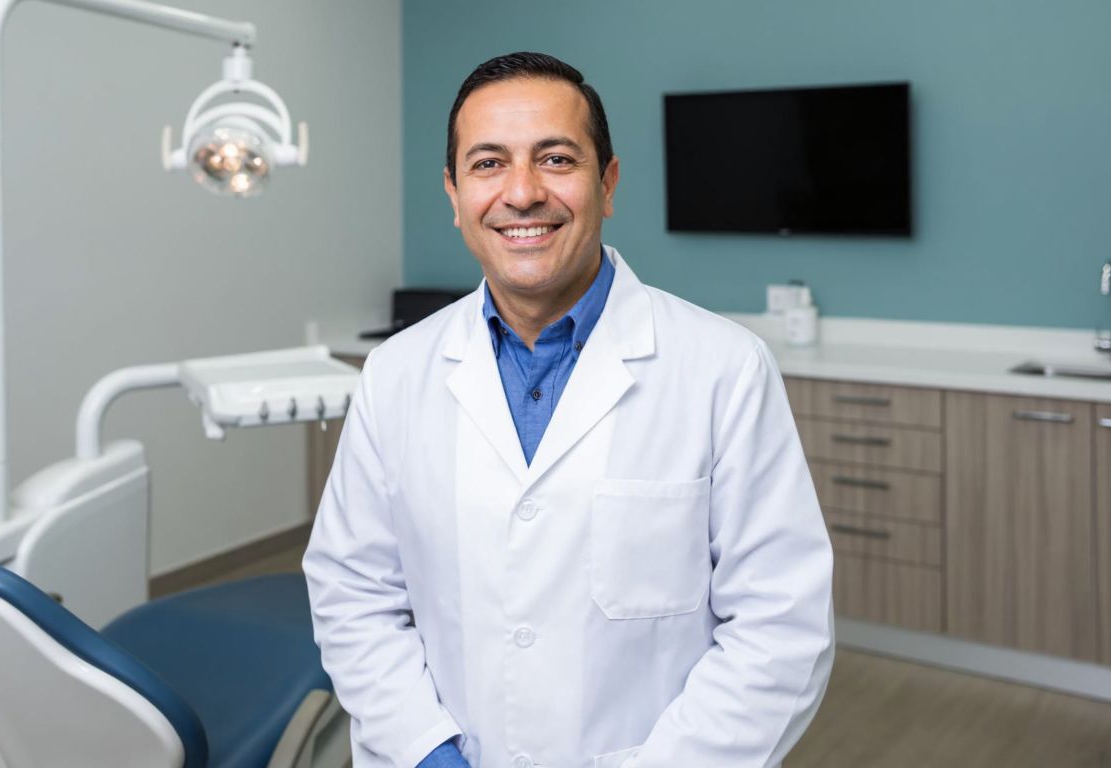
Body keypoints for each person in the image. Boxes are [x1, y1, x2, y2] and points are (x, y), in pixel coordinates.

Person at [303, 51, 834, 768]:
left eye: (555, 158)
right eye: (488, 164)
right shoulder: (398, 372)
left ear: (607, 183)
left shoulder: (723, 369)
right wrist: (424, 750)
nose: (522, 193)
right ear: (454, 192)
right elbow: (352, 590)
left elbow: (781, 628)